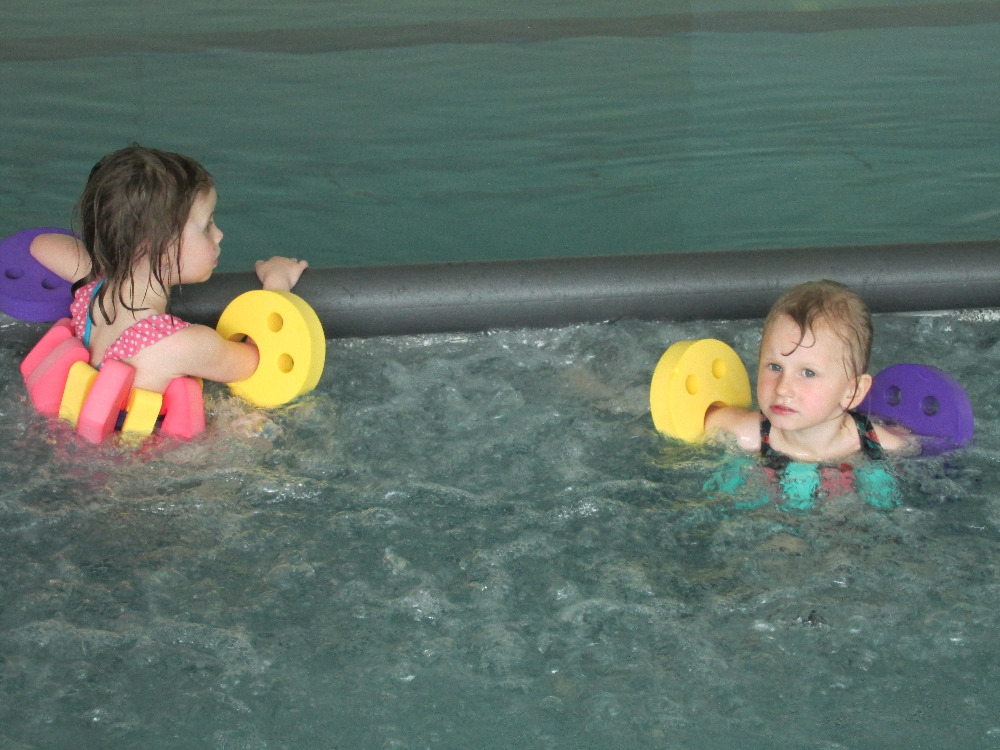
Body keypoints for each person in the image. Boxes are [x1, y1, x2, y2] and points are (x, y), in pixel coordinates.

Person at [28, 145, 307, 393]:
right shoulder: (183, 345)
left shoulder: (94, 291)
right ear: (159, 251)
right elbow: (260, 360)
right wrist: (277, 282)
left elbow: (40, 245)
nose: (219, 234)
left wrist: (116, 255)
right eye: (207, 226)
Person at [705, 279, 912, 466]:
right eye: (775, 367)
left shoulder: (883, 445)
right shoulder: (746, 434)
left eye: (808, 373)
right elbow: (699, 416)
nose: (783, 388)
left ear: (853, 391)